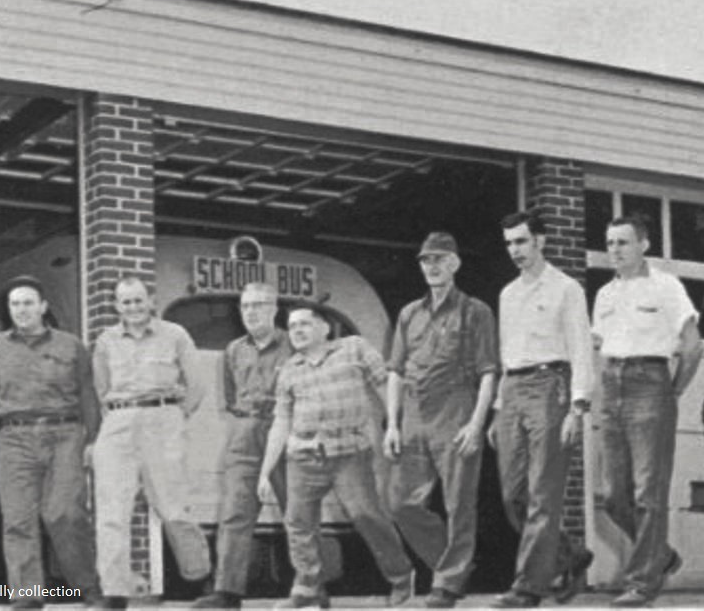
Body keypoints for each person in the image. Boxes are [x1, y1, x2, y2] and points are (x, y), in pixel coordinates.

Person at [0, 275, 102, 609]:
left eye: (28, 303)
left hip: (64, 435)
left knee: (65, 514)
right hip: (14, 438)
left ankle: (88, 586)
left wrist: (93, 439)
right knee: (18, 519)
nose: (21, 310)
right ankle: (27, 596)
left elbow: (87, 393)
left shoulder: (70, 345)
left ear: (43, 307)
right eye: (15, 304)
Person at [259, 304, 415, 608]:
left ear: (325, 328)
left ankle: (401, 576)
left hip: (349, 454)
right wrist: (266, 471)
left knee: (365, 515)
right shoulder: (289, 369)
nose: (297, 331)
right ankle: (308, 588)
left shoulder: (354, 348)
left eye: (304, 324)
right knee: (298, 522)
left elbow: (385, 385)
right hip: (303, 457)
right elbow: (281, 421)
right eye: (292, 326)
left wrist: (395, 426)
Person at [592, 216, 703, 607]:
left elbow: (693, 345)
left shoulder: (666, 286)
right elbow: (599, 347)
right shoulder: (604, 294)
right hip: (611, 387)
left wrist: (673, 390)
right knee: (612, 497)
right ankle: (661, 557)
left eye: (623, 242)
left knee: (647, 492)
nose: (615, 250)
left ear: (644, 245)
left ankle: (642, 583)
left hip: (650, 385)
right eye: (610, 243)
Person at [383, 232, 498, 608]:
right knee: (400, 503)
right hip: (414, 411)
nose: (431, 266)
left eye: (439, 259)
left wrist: (476, 424)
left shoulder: (475, 311)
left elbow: (488, 372)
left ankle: (448, 583)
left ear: (455, 263)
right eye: (425, 260)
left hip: (456, 408)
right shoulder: (409, 314)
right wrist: (393, 423)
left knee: (458, 503)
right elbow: (396, 371)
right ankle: (452, 567)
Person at [488, 212, 595, 608]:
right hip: (513, 390)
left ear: (540, 241)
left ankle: (529, 588)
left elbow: (581, 348)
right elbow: (506, 355)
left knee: (542, 494)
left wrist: (577, 407)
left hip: (551, 387)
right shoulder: (508, 294)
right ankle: (570, 554)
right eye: (509, 243)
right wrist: (499, 407)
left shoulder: (566, 289)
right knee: (512, 494)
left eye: (521, 241)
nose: (514, 250)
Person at [91, 276, 211, 608]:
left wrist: (176, 416)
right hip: (118, 423)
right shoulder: (106, 341)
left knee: (173, 506)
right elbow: (101, 389)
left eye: (138, 300)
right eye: (126, 301)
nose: (133, 307)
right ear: (117, 306)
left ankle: (200, 576)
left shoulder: (175, 335)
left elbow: (197, 384)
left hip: (163, 420)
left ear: (150, 301)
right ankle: (115, 591)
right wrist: (117, 418)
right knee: (112, 511)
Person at [193, 282, 293, 608]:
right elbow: (231, 396)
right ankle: (227, 592)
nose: (251, 312)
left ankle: (311, 587)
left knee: (298, 512)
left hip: (284, 430)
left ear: (274, 309)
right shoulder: (234, 350)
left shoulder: (292, 344)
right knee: (235, 512)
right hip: (244, 434)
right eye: (246, 306)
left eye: (259, 305)